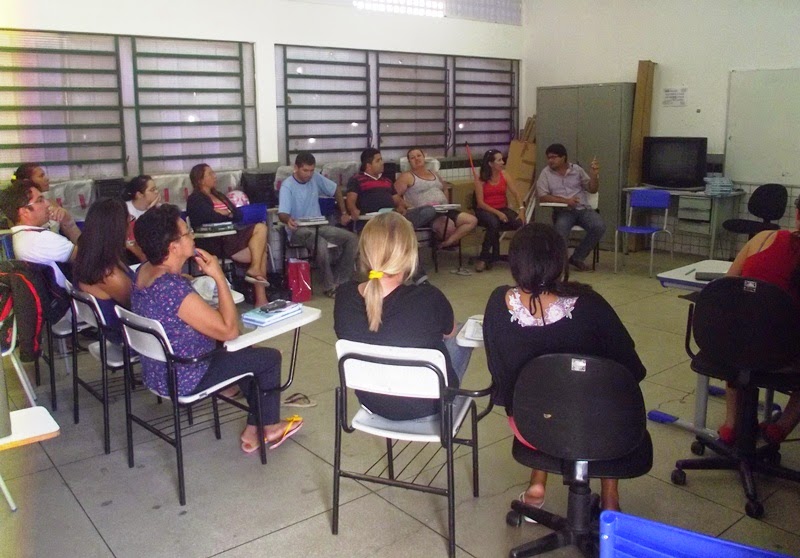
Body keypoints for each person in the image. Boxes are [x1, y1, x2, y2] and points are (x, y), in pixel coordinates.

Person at [483, 222, 646, 512]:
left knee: (545, 396)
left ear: (515, 263)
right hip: (600, 431)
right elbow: (631, 372)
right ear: (560, 261)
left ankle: (536, 486)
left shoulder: (497, 302)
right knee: (605, 398)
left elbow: (501, 377)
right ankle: (610, 498)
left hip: (529, 426)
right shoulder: (591, 305)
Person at [132, 204, 303, 453]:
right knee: (267, 358)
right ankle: (268, 426)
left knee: (244, 349)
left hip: (156, 370)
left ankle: (255, 424)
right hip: (185, 374)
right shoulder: (170, 288)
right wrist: (218, 276)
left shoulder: (144, 271)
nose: (192, 235)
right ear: (173, 247)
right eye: (187, 232)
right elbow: (228, 330)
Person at [333, 211, 472, 420]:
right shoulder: (428, 297)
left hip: (372, 401)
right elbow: (450, 333)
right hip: (429, 404)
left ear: (364, 252)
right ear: (409, 255)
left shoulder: (344, 296)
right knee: (461, 331)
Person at [717, 195, 800, 446]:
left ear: (797, 214)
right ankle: (781, 427)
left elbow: (725, 287)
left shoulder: (761, 238)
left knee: (741, 332)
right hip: (783, 359)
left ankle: (731, 425)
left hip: (733, 351)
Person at [346, 148, 434, 284]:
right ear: (368, 165)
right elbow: (350, 200)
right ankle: (419, 277)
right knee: (405, 237)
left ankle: (403, 229)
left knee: (428, 210)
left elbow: (397, 200)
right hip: (371, 223)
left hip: (392, 218)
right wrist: (353, 210)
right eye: (378, 160)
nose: (382, 163)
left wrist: (401, 207)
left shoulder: (386, 181)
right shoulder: (357, 180)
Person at [185, 163, 269, 306]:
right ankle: (260, 297)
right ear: (200, 179)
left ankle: (256, 277)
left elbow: (238, 214)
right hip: (215, 240)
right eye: (210, 174)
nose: (214, 176)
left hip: (231, 235)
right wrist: (225, 214)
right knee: (261, 245)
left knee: (261, 239)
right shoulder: (195, 199)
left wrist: (224, 213)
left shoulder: (218, 195)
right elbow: (208, 217)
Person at [278, 151, 358, 298]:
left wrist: (343, 212)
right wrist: (288, 219)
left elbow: (335, 189)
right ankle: (329, 286)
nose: (309, 174)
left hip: (319, 225)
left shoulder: (315, 178)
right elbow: (282, 213)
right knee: (319, 243)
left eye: (311, 170)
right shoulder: (287, 186)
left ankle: (341, 280)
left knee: (352, 239)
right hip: (298, 230)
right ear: (296, 168)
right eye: (305, 170)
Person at [535, 143, 604, 272]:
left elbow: (593, 189)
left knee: (599, 226)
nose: (550, 161)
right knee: (561, 230)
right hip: (563, 211)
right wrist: (566, 201)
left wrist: (594, 175)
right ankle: (560, 263)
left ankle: (578, 257)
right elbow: (543, 197)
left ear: (563, 157)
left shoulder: (577, 170)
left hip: (583, 208)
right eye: (548, 158)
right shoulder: (546, 173)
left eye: (554, 157)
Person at [73, 198, 133, 344]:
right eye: (129, 220)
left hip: (122, 330)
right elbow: (139, 304)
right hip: (130, 338)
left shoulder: (91, 257)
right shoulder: (109, 274)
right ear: (118, 228)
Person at [0, 180, 80, 288]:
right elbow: (90, 256)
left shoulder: (19, 237)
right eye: (40, 200)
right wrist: (69, 223)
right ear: (25, 212)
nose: (47, 204)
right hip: (72, 295)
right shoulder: (40, 239)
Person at [394, 147, 477, 250]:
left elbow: (445, 188)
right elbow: (394, 195)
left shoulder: (434, 173)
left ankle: (447, 243)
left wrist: (446, 203)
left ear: (424, 157)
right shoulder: (407, 176)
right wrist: (408, 206)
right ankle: (445, 243)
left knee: (471, 220)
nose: (417, 159)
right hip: (427, 213)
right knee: (448, 230)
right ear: (409, 162)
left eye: (419, 156)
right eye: (412, 158)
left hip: (444, 209)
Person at [473, 149, 525, 272]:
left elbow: (516, 193)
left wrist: (521, 210)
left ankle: (519, 256)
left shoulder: (504, 175)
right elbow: (480, 203)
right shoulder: (480, 179)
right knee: (493, 223)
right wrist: (498, 213)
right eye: (499, 160)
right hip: (484, 210)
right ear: (490, 164)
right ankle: (483, 257)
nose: (503, 162)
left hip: (502, 208)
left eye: (502, 159)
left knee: (520, 223)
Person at [12, 163, 77, 235]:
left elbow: (69, 231)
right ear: (27, 181)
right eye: (41, 176)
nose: (47, 178)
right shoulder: (16, 209)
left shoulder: (50, 201)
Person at [121, 175, 161, 263]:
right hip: (130, 255)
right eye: (152, 190)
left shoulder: (158, 209)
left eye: (156, 189)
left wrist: (153, 210)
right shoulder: (124, 209)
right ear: (139, 194)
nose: (157, 192)